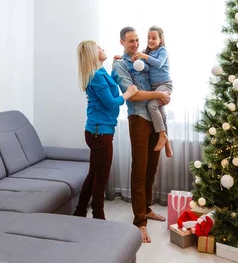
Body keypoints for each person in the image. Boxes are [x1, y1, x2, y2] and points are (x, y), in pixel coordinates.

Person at [113, 27, 171, 243]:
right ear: (121, 42)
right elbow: (133, 95)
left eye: (137, 40)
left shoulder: (144, 57)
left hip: (154, 119)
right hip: (139, 119)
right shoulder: (120, 64)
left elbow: (159, 70)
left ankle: (146, 209)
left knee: (151, 168)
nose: (136, 44)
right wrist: (159, 94)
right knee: (139, 169)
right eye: (131, 41)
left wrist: (164, 95)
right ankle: (139, 222)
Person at [73, 40, 138, 220]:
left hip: (96, 131)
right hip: (99, 133)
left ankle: (79, 212)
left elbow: (107, 88)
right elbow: (110, 103)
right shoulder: (97, 76)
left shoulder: (100, 73)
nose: (103, 49)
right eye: (99, 48)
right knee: (101, 177)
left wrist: (111, 67)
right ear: (93, 54)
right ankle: (99, 217)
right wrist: (128, 94)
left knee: (94, 174)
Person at [131, 26, 173, 157]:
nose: (150, 40)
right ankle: (167, 144)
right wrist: (138, 60)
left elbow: (159, 63)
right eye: (148, 38)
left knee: (151, 106)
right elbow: (148, 68)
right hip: (155, 87)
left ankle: (161, 135)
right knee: (161, 112)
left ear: (160, 40)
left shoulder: (162, 51)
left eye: (154, 38)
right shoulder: (147, 52)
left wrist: (144, 56)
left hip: (164, 85)